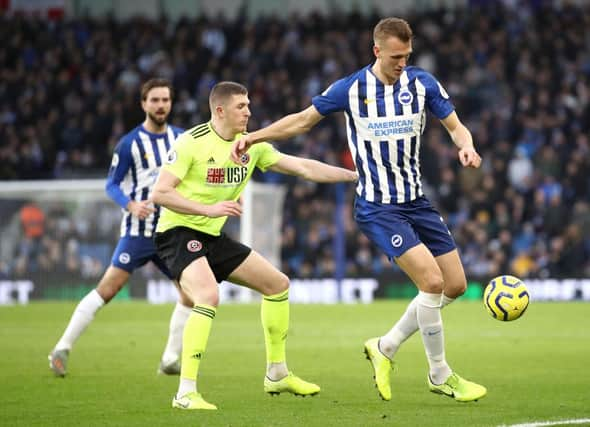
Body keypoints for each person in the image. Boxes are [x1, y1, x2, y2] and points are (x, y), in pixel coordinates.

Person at [231, 17, 487, 403]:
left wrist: (464, 145)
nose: (402, 63)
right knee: (431, 284)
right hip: (378, 206)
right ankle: (440, 375)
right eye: (396, 56)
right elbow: (302, 121)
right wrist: (254, 136)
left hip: (416, 201)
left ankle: (385, 346)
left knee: (454, 286)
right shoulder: (350, 89)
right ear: (377, 51)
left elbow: (456, 126)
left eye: (408, 56)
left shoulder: (422, 84)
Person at [152, 81, 358, 410]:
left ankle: (277, 373)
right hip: (177, 232)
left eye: (249, 105)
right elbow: (160, 193)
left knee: (277, 284)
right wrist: (209, 209)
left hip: (211, 236)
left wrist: (355, 176)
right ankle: (185, 393)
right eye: (241, 106)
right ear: (219, 110)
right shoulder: (191, 142)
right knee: (207, 295)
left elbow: (303, 167)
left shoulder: (253, 146)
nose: (249, 111)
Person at [48, 78, 192, 377]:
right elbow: (111, 184)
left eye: (165, 100)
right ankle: (62, 347)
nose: (161, 105)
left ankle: (169, 359)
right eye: (155, 100)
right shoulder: (128, 144)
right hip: (137, 233)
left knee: (189, 293)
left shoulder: (182, 139)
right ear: (143, 104)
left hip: (171, 231)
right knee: (108, 289)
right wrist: (130, 205)